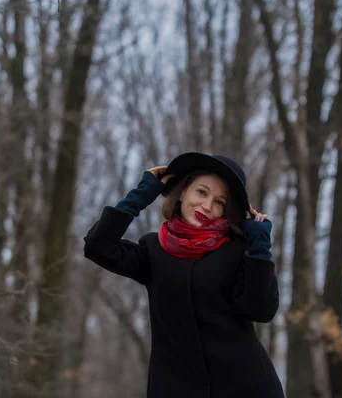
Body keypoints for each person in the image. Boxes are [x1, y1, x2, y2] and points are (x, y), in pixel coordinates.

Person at [84, 152, 284, 398]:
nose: (207, 206)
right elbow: (97, 246)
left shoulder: (239, 252)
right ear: (182, 192)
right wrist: (144, 192)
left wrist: (260, 247)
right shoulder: (153, 250)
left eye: (220, 202)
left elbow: (260, 310)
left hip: (245, 387)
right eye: (202, 192)